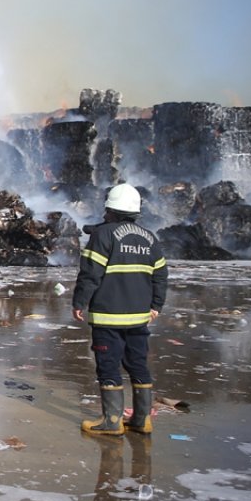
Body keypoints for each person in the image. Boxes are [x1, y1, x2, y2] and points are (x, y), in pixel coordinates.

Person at [72, 183, 168, 436]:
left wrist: (79, 302)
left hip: (108, 315)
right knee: (138, 364)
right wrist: (156, 305)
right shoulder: (150, 238)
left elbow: (90, 274)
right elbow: (161, 276)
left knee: (108, 365)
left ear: (111, 210)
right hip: (139, 317)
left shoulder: (103, 236)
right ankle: (142, 420)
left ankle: (112, 421)